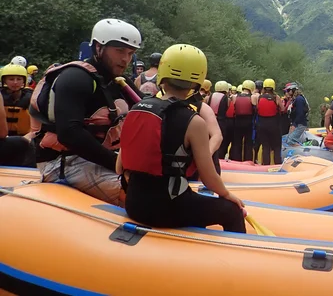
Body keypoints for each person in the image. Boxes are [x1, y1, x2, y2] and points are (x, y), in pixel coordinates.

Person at [118, 44, 245, 233]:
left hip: (134, 204)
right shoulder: (195, 122)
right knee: (232, 211)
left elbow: (119, 167)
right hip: (167, 209)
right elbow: (209, 178)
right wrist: (227, 195)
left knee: (190, 201)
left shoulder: (136, 109)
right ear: (197, 82)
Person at [31, 19, 142, 206]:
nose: (126, 59)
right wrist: (118, 164)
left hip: (101, 159)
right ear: (99, 47)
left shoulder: (119, 82)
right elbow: (69, 134)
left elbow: (148, 111)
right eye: (120, 51)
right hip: (63, 162)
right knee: (142, 195)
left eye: (130, 53)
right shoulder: (75, 77)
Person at [0, 64, 36, 167]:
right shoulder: (1, 96)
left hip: (26, 139)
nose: (15, 82)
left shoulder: (32, 97)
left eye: (19, 79)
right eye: (11, 79)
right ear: (4, 81)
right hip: (3, 141)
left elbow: (39, 123)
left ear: (24, 80)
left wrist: (29, 136)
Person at [230, 80, 256, 162]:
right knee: (248, 143)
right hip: (248, 122)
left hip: (237, 121)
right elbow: (256, 110)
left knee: (237, 142)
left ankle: (236, 160)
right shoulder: (252, 97)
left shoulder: (234, 97)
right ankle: (248, 160)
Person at [209, 81, 232, 160]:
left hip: (210, 120)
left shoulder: (209, 96)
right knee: (220, 140)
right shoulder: (227, 99)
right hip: (221, 121)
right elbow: (227, 108)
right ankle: (220, 157)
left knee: (210, 138)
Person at [284, 82, 308, 149]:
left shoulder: (299, 99)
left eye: (288, 90)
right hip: (297, 123)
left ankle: (304, 153)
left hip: (300, 124)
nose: (287, 92)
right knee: (289, 140)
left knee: (291, 141)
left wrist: (294, 124)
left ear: (293, 90)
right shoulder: (295, 99)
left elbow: (300, 113)